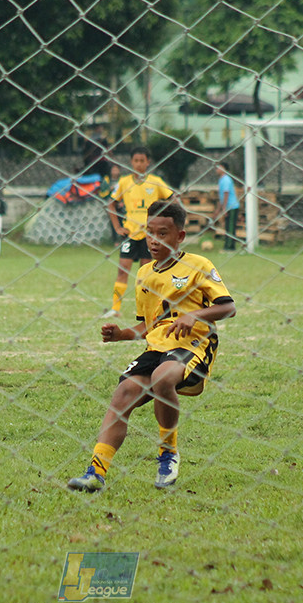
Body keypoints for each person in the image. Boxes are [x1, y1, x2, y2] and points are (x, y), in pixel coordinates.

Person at [69, 201, 236, 492]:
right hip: (156, 349)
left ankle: (167, 453)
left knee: (162, 378)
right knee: (122, 395)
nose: (154, 240)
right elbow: (150, 326)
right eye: (149, 232)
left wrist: (192, 315)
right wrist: (120, 334)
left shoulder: (199, 265)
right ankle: (96, 472)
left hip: (193, 344)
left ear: (180, 236)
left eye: (163, 233)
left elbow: (228, 307)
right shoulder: (145, 274)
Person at [102, 147, 175, 319]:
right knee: (123, 270)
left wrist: (165, 222)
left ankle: (145, 309)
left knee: (146, 273)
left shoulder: (156, 181)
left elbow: (173, 199)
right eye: (136, 160)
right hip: (130, 234)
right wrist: (117, 228)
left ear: (148, 162)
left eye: (142, 160)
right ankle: (115, 308)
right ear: (131, 162)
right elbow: (110, 204)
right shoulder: (124, 182)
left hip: (150, 235)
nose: (139, 164)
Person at [212, 161, 241, 250]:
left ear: (223, 168)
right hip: (227, 206)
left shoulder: (226, 179)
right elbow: (221, 196)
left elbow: (226, 194)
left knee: (230, 227)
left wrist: (224, 208)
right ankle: (229, 246)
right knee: (228, 226)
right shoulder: (221, 180)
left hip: (231, 206)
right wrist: (218, 209)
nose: (216, 170)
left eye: (218, 168)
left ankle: (229, 247)